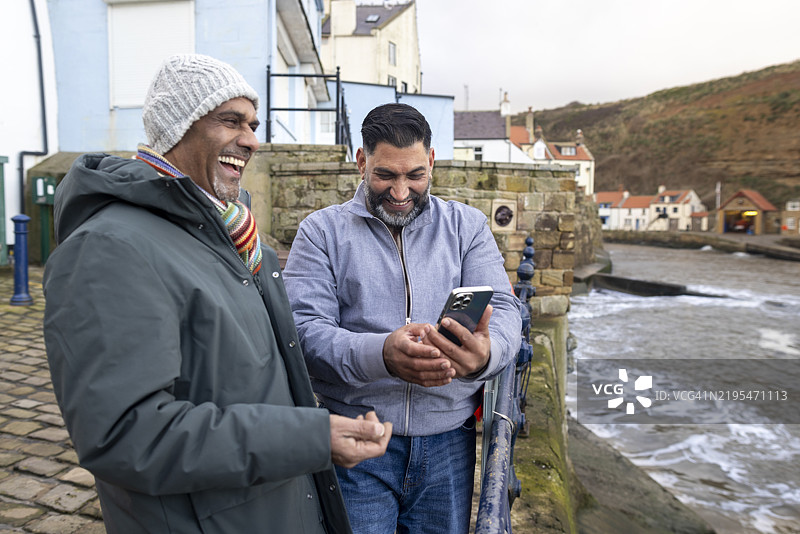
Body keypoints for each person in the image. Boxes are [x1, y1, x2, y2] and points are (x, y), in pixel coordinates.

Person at [43, 54, 391, 534]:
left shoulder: (237, 238)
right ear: (177, 128)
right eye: (230, 121)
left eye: (252, 123)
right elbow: (126, 436)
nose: (250, 140)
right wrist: (312, 438)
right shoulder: (109, 248)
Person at [283, 103, 522, 533]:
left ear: (431, 161)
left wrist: (486, 356)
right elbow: (304, 335)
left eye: (414, 176)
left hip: (450, 442)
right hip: (357, 439)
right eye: (385, 176)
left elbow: (505, 309)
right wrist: (383, 354)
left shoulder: (467, 227)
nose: (400, 192)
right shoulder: (320, 233)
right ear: (361, 162)